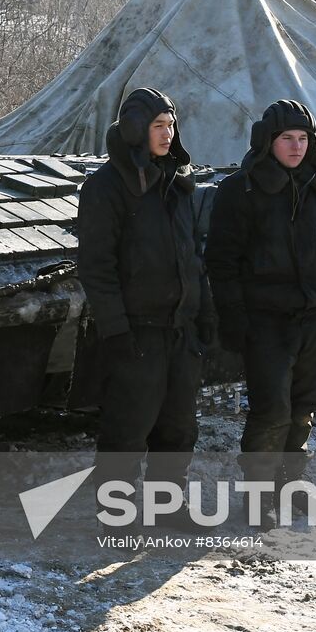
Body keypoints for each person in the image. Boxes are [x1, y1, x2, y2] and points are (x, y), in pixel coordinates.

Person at [205, 100, 316, 528]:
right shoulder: (241, 190)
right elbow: (222, 261)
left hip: (313, 317)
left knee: (303, 408)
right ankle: (257, 498)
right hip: (265, 320)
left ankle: (290, 488)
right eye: (287, 139)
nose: (296, 147)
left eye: (303, 138)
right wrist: (232, 317)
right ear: (268, 141)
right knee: (271, 410)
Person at [77, 88, 215, 523]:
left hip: (178, 329)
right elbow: (96, 267)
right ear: (136, 130)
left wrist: (203, 315)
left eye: (171, 125)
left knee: (177, 427)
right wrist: (116, 329)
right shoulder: (106, 187)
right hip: (136, 331)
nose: (168, 134)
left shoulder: (175, 182)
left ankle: (168, 509)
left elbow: (192, 255)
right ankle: (114, 515)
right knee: (127, 429)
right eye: (159, 126)